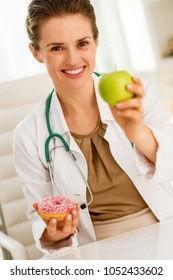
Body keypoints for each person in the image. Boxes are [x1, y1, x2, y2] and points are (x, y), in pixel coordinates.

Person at [13, 0, 173, 256]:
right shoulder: (29, 134)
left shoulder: (136, 93)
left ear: (96, 42)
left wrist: (137, 132)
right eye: (56, 48)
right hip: (95, 247)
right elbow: (38, 214)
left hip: (163, 226)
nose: (73, 58)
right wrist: (55, 233)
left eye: (82, 43)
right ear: (36, 52)